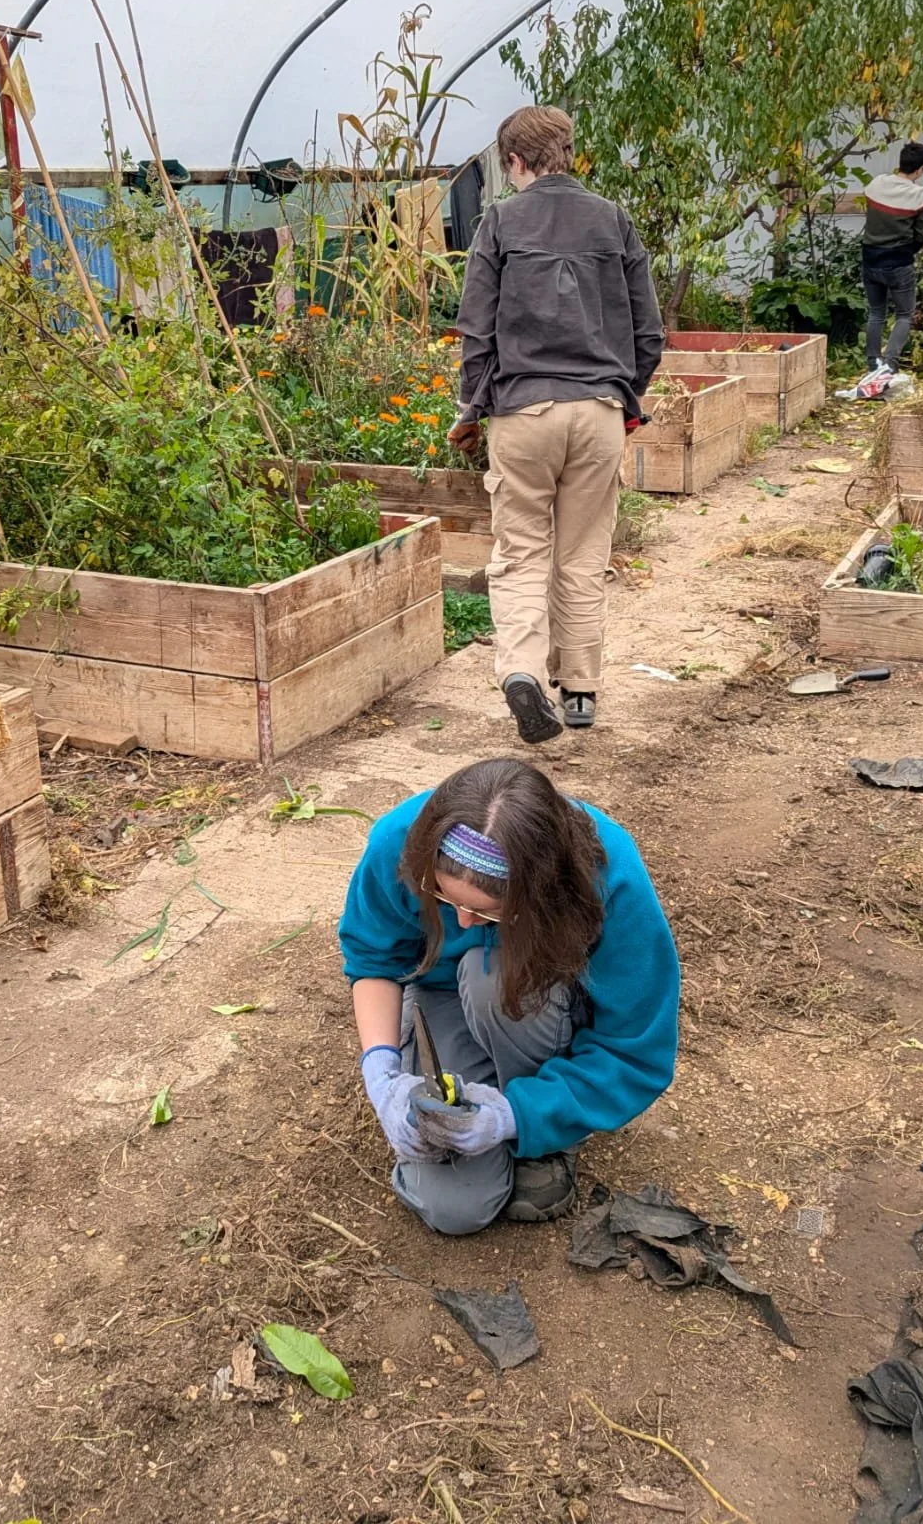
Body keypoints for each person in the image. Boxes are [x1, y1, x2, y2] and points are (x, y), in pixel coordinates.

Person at [339, 756, 680, 1235]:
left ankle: (545, 1127)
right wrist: (381, 1074)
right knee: (455, 1209)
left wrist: (514, 1115)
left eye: (489, 913)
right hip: (444, 1001)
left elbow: (635, 1052)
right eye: (444, 899)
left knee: (491, 979)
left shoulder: (608, 876)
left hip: (543, 1011)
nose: (462, 922)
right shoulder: (398, 842)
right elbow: (374, 961)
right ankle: (495, 1117)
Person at [446, 106, 664, 742]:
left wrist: (471, 410)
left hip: (523, 411)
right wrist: (624, 398)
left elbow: (477, 333)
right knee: (583, 554)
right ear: (567, 153)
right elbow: (648, 332)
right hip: (598, 412)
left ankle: (521, 672)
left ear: (514, 161)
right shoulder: (612, 219)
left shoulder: (500, 221)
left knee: (520, 554)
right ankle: (581, 691)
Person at [852, 140, 923, 397]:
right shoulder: (920, 195)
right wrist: (909, 250)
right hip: (899, 261)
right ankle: (889, 364)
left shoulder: (876, 184)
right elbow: (920, 234)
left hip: (870, 258)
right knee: (904, 315)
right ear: (920, 169)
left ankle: (872, 363)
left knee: (876, 312)